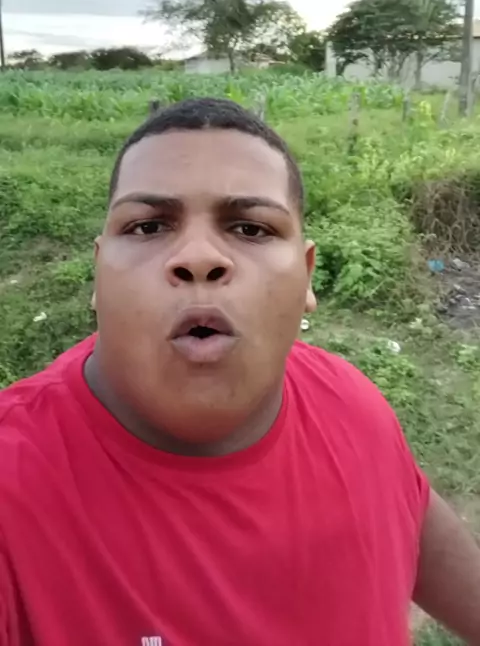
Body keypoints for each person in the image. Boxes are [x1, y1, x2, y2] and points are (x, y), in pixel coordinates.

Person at [1, 97, 480, 646]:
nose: (199, 257)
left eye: (251, 228)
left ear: (306, 278)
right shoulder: (14, 491)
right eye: (148, 225)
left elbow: (412, 520)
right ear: (98, 275)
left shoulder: (353, 405)